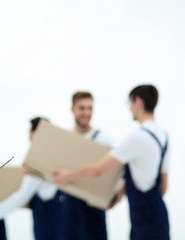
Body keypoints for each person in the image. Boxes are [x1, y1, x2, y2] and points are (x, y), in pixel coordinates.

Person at [54, 85, 170, 240]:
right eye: (82, 108)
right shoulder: (164, 137)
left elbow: (97, 170)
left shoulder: (135, 138)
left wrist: (67, 177)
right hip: (158, 216)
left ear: (138, 101)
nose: (129, 108)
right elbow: (163, 187)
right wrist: (120, 194)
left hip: (142, 219)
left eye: (130, 103)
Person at [0, 117, 61, 240]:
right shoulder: (54, 155)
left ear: (33, 133)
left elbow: (23, 195)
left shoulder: (38, 158)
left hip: (49, 220)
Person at [55, 91, 114, 240]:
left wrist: (114, 197)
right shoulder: (64, 140)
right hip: (67, 211)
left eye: (90, 108)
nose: (86, 113)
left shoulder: (103, 140)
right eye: (82, 108)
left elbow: (116, 174)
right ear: (72, 109)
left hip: (93, 212)